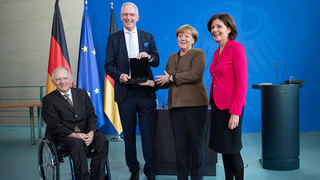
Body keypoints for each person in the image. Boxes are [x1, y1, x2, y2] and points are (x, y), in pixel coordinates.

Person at [104, 2, 159, 180]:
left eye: (132, 15)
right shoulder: (113, 38)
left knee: (148, 135)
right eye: (125, 14)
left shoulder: (147, 36)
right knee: (129, 135)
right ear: (121, 17)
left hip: (145, 93)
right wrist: (120, 75)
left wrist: (149, 57)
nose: (128, 17)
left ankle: (151, 171)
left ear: (137, 17)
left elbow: (157, 60)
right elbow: (108, 66)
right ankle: (133, 170)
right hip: (125, 93)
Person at [155, 25, 208, 180]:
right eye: (180, 36)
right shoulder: (172, 57)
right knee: (180, 147)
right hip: (176, 107)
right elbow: (165, 80)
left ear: (193, 40)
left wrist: (171, 78)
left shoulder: (199, 53)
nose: (183, 39)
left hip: (196, 106)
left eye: (187, 36)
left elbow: (195, 75)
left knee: (196, 147)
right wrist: (152, 83)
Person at [42, 67, 109, 180]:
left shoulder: (81, 93)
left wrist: (91, 132)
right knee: (77, 143)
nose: (62, 82)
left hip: (85, 133)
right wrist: (74, 135)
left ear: (71, 78)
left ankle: (98, 177)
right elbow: (53, 124)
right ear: (53, 81)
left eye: (65, 78)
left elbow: (92, 115)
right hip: (64, 137)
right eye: (58, 79)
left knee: (102, 140)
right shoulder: (49, 100)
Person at [207, 13, 247, 180]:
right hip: (218, 106)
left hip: (231, 108)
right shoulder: (218, 52)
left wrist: (235, 112)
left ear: (229, 29)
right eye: (212, 27)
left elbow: (241, 83)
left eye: (219, 27)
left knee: (232, 150)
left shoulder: (236, 48)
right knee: (224, 149)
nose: (214, 30)